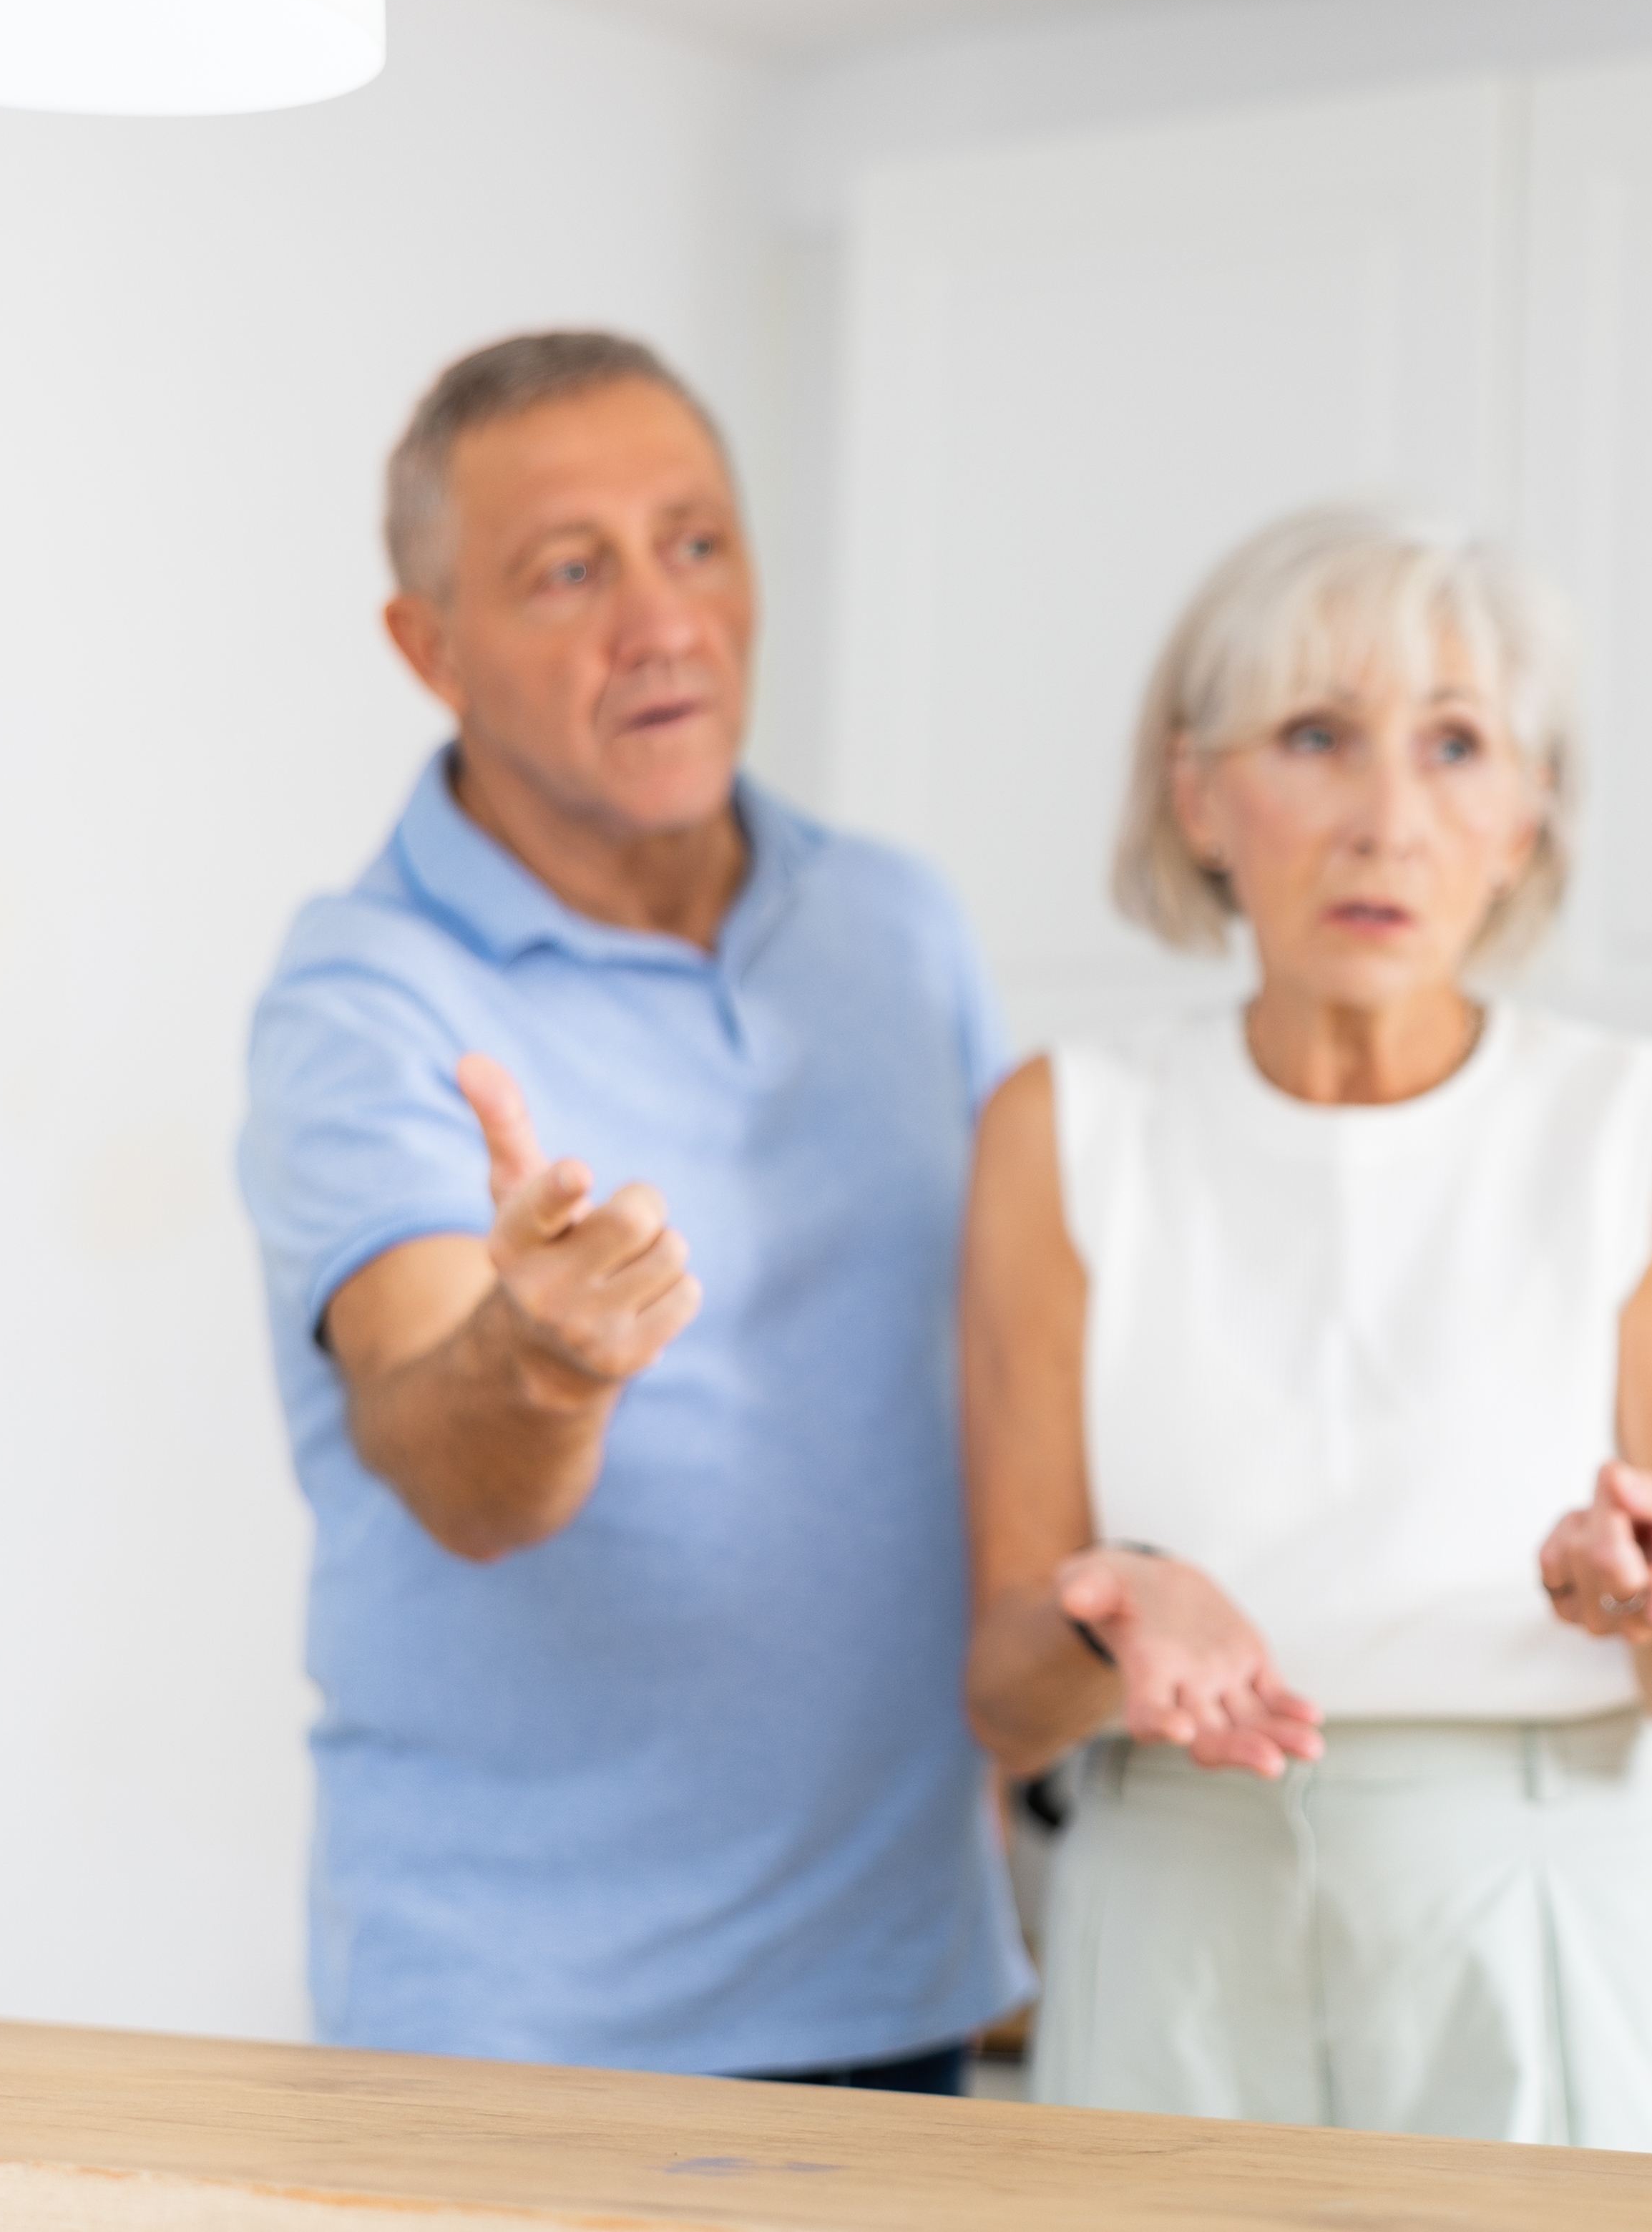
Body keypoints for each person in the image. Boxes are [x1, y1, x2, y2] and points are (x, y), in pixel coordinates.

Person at [960, 510, 1652, 2157]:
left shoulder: (1640, 1125)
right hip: (1171, 1909)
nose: (1387, 820)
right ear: (1198, 795)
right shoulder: (1062, 1126)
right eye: (1315, 736)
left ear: (1526, 813)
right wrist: (1115, 1598)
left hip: (1546, 1907)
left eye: (1457, 745)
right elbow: (1005, 1696)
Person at [238, 332, 1021, 2087]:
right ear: (430, 647)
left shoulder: (899, 925)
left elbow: (1009, 1374)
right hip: (525, 2032)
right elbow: (451, 1463)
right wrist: (543, 1355)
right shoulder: (367, 997)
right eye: (568, 571)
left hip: (901, 1979)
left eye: (697, 542)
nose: (663, 622)